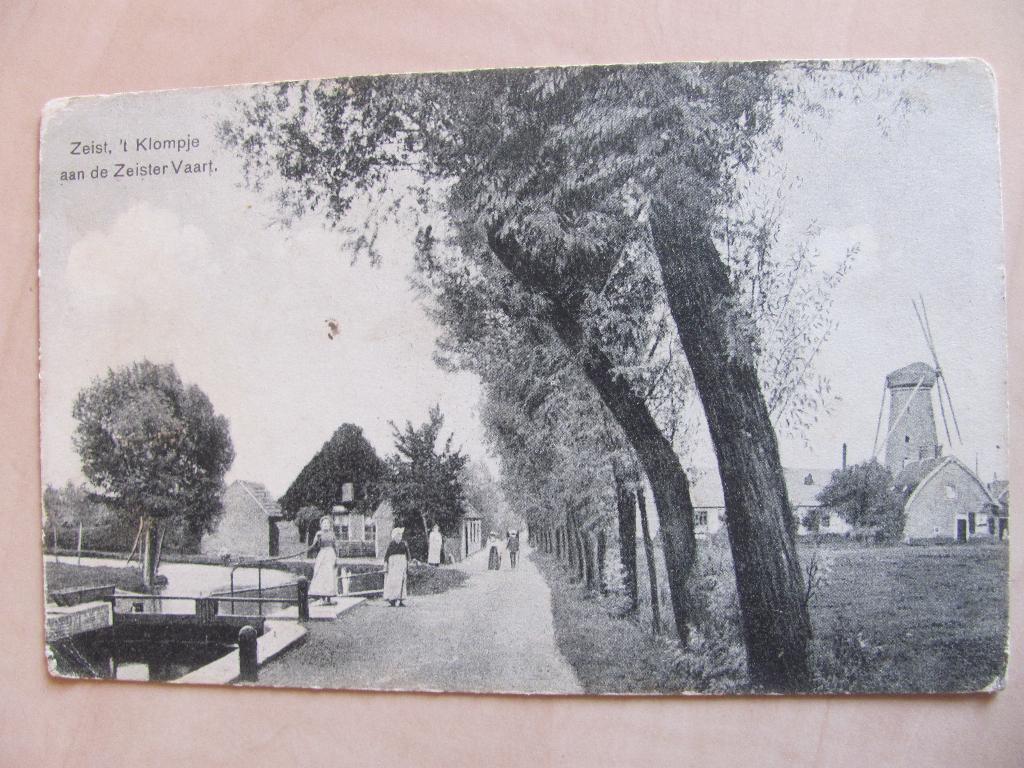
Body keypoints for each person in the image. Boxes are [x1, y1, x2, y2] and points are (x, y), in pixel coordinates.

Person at [309, 516, 339, 605]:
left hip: (330, 554)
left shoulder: (332, 534)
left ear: (330, 525)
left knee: (330, 575)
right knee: (321, 574)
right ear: (321, 525)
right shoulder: (319, 534)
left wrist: (337, 558)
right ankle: (322, 597)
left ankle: (329, 598)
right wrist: (316, 538)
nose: (326, 525)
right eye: (324, 523)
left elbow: (336, 546)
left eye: (327, 523)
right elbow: (314, 546)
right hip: (322, 555)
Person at [383, 527, 410, 607]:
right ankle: (392, 600)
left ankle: (400, 599)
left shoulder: (403, 544)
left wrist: (407, 564)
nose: (400, 536)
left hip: (401, 565)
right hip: (393, 566)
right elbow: (386, 556)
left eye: (400, 535)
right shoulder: (391, 544)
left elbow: (407, 555)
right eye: (398, 535)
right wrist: (386, 565)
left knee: (401, 582)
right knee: (393, 582)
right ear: (394, 536)